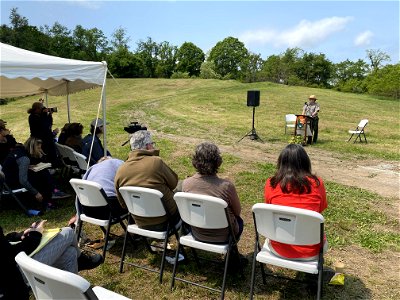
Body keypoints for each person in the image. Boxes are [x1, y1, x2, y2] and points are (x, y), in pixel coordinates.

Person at [0, 221, 102, 300]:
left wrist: (19, 235)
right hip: (14, 278)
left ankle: (70, 295)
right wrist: (35, 234)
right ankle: (81, 260)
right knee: (68, 232)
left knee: (70, 254)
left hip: (13, 271)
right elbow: (12, 254)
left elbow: (4, 243)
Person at [264, 144, 328, 260]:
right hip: (310, 250)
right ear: (305, 162)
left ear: (281, 163)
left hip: (278, 247)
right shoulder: (317, 183)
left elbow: (270, 209)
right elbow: (319, 210)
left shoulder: (271, 183)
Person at [114, 130, 180, 231]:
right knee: (182, 188)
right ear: (148, 146)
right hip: (166, 220)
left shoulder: (120, 170)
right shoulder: (156, 162)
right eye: (153, 144)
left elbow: (123, 204)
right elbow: (174, 183)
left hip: (140, 221)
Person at [182, 142, 243, 244]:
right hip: (225, 236)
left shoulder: (186, 184)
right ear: (218, 162)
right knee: (240, 221)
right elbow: (237, 212)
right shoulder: (226, 187)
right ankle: (232, 252)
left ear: (195, 161)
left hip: (197, 232)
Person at [27, 101, 60, 166]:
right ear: (37, 109)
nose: (44, 109)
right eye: (42, 108)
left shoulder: (38, 116)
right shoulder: (33, 117)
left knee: (51, 156)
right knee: (46, 157)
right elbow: (45, 125)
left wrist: (48, 115)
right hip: (42, 141)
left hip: (45, 139)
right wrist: (47, 115)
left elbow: (48, 124)